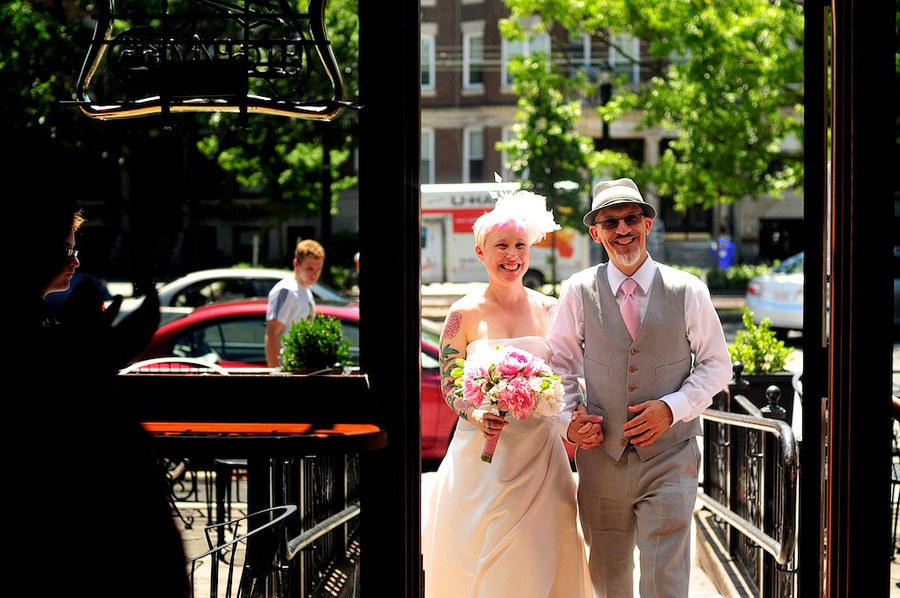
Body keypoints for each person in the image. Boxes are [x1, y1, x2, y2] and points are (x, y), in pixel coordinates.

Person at [548, 178, 733, 597]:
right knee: (609, 580)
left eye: (632, 218)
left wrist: (672, 407)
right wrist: (569, 420)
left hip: (670, 458)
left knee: (663, 578)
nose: (623, 229)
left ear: (648, 223)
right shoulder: (578, 290)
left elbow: (717, 365)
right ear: (595, 233)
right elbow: (556, 365)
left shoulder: (688, 290)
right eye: (610, 222)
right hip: (601, 459)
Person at [421, 189, 600, 597]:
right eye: (500, 245)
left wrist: (575, 419)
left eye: (520, 245)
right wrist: (476, 414)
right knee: (485, 559)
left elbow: (569, 379)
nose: (511, 254)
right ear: (481, 252)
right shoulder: (461, 315)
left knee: (539, 557)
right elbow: (450, 382)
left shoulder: (551, 310)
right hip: (482, 461)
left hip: (540, 459)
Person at [265, 238, 326, 367]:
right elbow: (272, 334)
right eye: (309, 268)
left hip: (297, 368)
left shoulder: (305, 290)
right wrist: (275, 374)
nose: (314, 274)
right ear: (296, 264)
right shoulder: (287, 290)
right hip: (285, 370)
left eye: (318, 269)